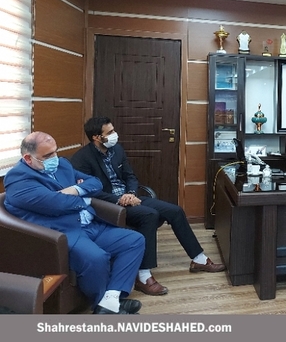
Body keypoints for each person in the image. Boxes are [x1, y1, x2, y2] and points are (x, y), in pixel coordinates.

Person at [71, 117, 225, 297]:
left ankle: (199, 259)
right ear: (97, 137)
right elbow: (90, 192)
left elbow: (130, 176)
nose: (114, 135)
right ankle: (143, 276)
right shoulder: (81, 159)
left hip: (131, 198)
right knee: (150, 215)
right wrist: (120, 199)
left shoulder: (117, 150)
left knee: (175, 211)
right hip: (109, 205)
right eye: (110, 132)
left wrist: (131, 193)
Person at [3, 132, 145, 314]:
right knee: (97, 258)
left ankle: (110, 300)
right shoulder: (18, 180)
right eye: (47, 155)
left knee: (134, 240)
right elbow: (56, 204)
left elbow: (95, 183)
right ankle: (104, 306)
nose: (55, 158)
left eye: (55, 151)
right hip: (60, 232)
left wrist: (75, 189)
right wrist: (84, 199)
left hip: (88, 224)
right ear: (28, 158)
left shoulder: (62, 164)